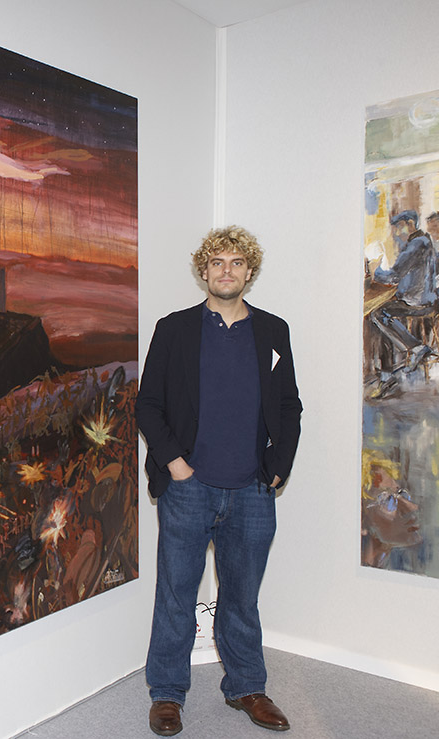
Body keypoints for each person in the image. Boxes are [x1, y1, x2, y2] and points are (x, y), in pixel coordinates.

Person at [136, 226, 302, 736]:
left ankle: (247, 686)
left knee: (242, 597)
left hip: (253, 488)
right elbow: (148, 404)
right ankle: (167, 694)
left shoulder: (273, 330)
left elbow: (289, 406)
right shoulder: (174, 329)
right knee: (176, 594)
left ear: (249, 272)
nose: (226, 271)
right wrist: (176, 464)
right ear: (203, 271)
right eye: (216, 262)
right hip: (189, 488)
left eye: (236, 263)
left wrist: (279, 465)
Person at [369, 210, 439, 395]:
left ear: (410, 223)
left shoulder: (417, 244)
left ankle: (414, 350)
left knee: (378, 315)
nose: (397, 233)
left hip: (417, 302)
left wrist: (375, 271)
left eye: (399, 227)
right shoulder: (423, 240)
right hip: (424, 300)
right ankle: (387, 376)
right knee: (382, 320)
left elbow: (394, 275)